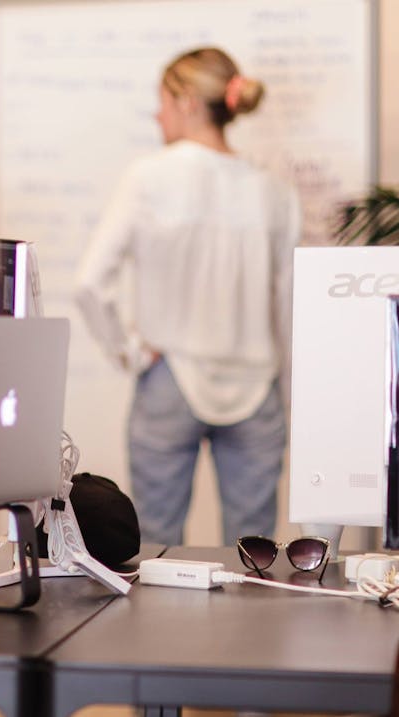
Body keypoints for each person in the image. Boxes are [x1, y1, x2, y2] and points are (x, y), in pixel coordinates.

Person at [73, 47, 300, 547]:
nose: (158, 114)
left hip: (169, 379)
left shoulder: (148, 177)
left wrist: (129, 352)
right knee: (255, 556)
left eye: (163, 101)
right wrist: (285, 389)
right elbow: (287, 308)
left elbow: (90, 283)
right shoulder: (277, 193)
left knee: (154, 548)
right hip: (258, 385)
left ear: (190, 102)